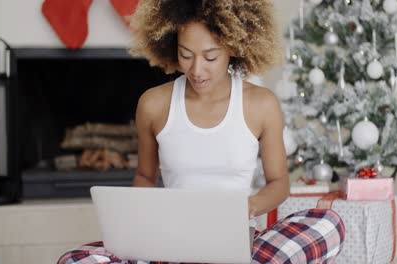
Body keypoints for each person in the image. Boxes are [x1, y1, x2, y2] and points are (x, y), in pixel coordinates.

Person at [58, 0, 345, 263]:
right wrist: (139, 227)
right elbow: (145, 176)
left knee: (327, 225)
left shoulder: (261, 104)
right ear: (173, 47)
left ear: (232, 48)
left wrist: (248, 207)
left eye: (210, 56)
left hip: (236, 243)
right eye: (186, 55)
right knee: (76, 259)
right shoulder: (153, 104)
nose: (196, 70)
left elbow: (279, 182)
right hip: (169, 240)